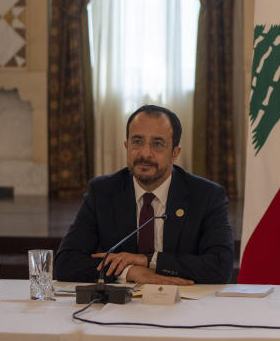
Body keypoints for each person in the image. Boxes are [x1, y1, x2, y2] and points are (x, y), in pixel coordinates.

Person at [54, 105, 234, 285]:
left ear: (175, 153)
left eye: (157, 144)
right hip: (120, 309)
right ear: (126, 146)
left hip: (183, 304)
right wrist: (130, 272)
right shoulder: (102, 192)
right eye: (137, 142)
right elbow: (65, 264)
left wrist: (149, 261)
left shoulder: (206, 196)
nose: (145, 153)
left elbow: (220, 267)